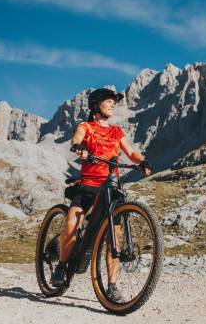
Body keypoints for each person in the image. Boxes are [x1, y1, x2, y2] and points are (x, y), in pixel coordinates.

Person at [51, 88, 152, 302]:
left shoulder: (116, 131)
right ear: (96, 105)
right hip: (88, 184)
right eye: (109, 101)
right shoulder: (85, 126)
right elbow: (76, 140)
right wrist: (79, 147)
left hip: (111, 185)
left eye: (115, 102)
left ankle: (112, 286)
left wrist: (141, 162)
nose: (113, 105)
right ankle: (61, 266)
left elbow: (131, 152)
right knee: (71, 221)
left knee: (114, 236)